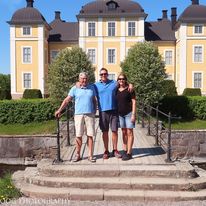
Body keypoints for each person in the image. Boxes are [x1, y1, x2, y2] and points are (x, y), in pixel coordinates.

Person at [55, 72, 96, 163]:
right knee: (78, 135)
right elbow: (67, 100)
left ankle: (90, 155)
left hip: (90, 114)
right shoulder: (74, 88)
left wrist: (95, 110)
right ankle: (78, 154)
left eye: (85, 78)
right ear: (79, 79)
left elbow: (94, 100)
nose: (84, 80)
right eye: (82, 78)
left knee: (90, 135)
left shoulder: (92, 87)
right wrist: (59, 110)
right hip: (78, 114)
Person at [94, 68, 122, 159]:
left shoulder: (114, 83)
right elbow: (86, 86)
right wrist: (77, 84)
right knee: (105, 132)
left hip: (114, 111)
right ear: (100, 76)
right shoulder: (96, 85)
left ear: (107, 74)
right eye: (101, 74)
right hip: (103, 112)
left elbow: (123, 83)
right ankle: (106, 150)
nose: (103, 76)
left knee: (114, 131)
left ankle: (115, 150)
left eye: (105, 74)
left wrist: (130, 85)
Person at [116, 73, 136, 161]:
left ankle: (129, 152)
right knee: (124, 132)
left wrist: (133, 114)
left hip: (129, 113)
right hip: (120, 114)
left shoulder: (130, 89)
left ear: (125, 80)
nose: (121, 80)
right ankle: (125, 149)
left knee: (130, 132)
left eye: (123, 79)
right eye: (119, 79)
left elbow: (134, 102)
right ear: (118, 80)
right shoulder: (116, 89)